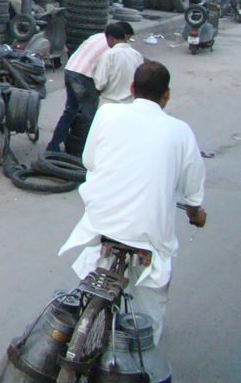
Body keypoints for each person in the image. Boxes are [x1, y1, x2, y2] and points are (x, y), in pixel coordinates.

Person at [59, 62, 206, 344]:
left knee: (93, 272)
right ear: (167, 95)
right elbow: (192, 192)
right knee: (150, 308)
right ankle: (144, 356)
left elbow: (90, 161)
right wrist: (195, 213)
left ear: (131, 89)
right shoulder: (181, 131)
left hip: (102, 225)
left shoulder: (107, 113)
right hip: (148, 236)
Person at [45, 22, 123, 153]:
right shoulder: (112, 48)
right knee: (89, 115)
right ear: (115, 38)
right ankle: (82, 151)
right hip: (82, 76)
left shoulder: (97, 36)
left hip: (70, 70)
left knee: (71, 110)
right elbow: (102, 76)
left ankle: (53, 145)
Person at [92, 22, 144, 106]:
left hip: (109, 104)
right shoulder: (137, 55)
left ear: (110, 38)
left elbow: (100, 84)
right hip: (129, 104)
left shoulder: (108, 55)